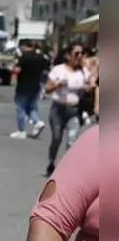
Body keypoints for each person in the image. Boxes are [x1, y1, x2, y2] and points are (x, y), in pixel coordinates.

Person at [45, 43, 92, 176]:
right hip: (58, 109)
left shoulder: (83, 72)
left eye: (82, 53)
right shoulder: (58, 70)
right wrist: (57, 85)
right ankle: (51, 162)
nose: (80, 56)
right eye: (76, 53)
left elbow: (91, 84)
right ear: (68, 55)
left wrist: (88, 87)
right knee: (56, 138)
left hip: (74, 111)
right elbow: (47, 89)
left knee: (72, 141)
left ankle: (68, 169)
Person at [11, 39, 49, 139]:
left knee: (21, 107)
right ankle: (37, 122)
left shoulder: (24, 57)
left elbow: (17, 70)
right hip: (36, 85)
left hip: (24, 86)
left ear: (23, 46)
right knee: (31, 107)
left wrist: (10, 68)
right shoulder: (41, 57)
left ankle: (21, 130)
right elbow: (45, 70)